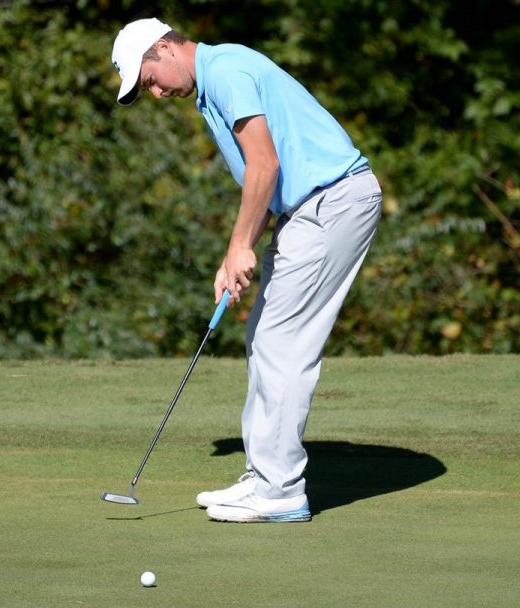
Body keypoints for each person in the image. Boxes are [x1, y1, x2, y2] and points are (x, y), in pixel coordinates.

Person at [111, 18, 382, 523]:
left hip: (331, 201)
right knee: (264, 334)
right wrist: (235, 253)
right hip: (310, 209)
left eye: (148, 79)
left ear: (164, 48)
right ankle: (264, 475)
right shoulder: (212, 87)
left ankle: (279, 490)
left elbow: (265, 165)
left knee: (281, 343)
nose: (152, 93)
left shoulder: (226, 70)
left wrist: (240, 245)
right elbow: (265, 180)